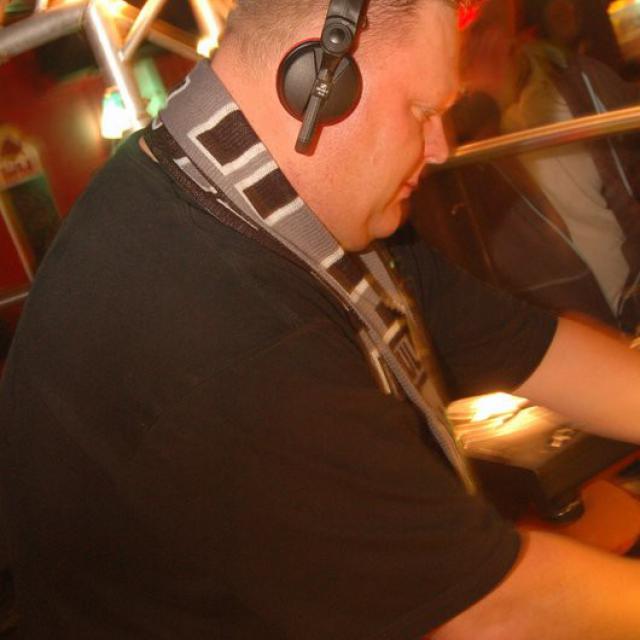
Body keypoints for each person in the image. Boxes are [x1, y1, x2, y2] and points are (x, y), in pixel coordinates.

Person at [1, 1, 640, 638]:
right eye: (423, 112)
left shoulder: (257, 194)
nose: (442, 149)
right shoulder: (221, 329)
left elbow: (527, 344)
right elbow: (493, 612)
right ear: (317, 82)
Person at [417, 0, 640, 333]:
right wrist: (485, 102)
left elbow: (632, 188)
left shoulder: (579, 82)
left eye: (485, 27)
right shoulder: (446, 140)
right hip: (565, 342)